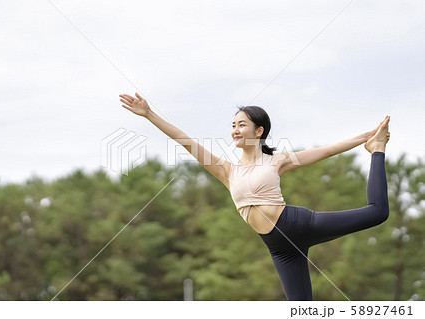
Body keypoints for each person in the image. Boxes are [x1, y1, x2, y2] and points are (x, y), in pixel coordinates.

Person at [119, 92, 391, 301]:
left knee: (378, 212)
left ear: (259, 131)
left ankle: (377, 151)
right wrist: (149, 114)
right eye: (233, 125)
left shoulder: (277, 161)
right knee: (303, 312)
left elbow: (327, 150)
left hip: (296, 224)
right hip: (279, 249)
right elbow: (184, 139)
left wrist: (369, 136)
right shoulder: (226, 171)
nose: (235, 129)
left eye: (242, 124)